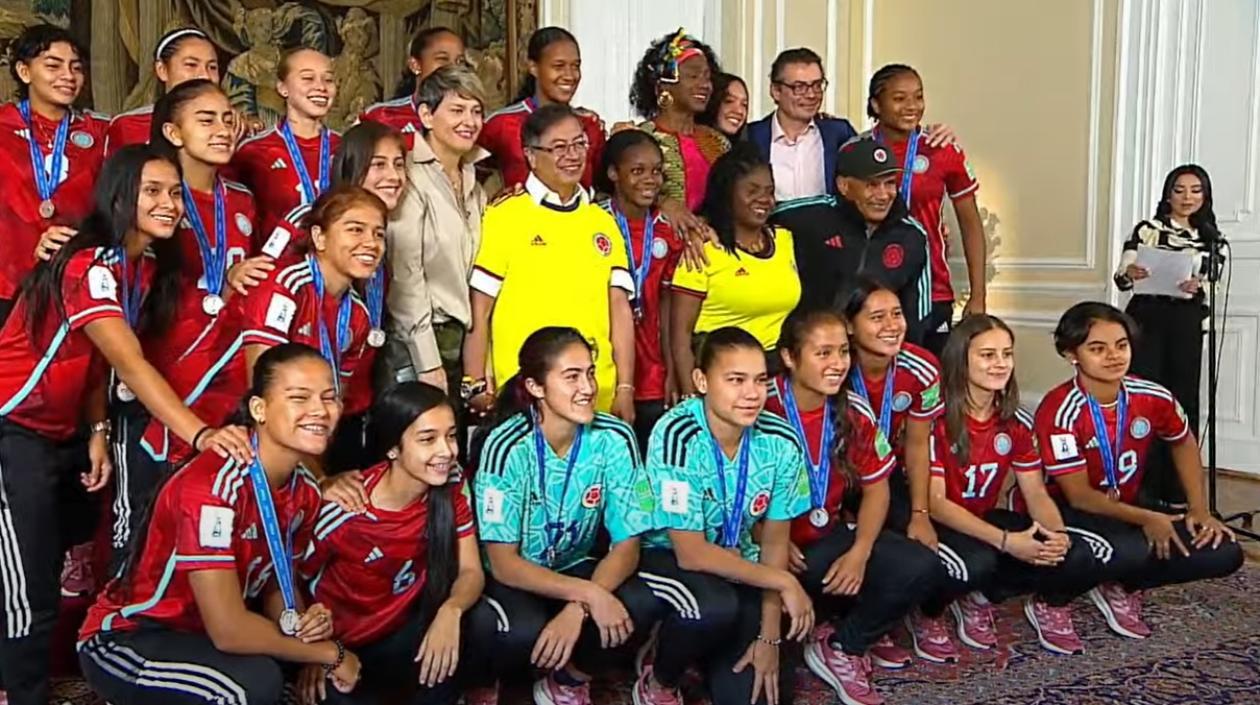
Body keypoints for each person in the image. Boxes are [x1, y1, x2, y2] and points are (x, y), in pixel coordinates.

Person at [0, 145, 252, 705]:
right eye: (153, 192)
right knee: (30, 585)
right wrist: (202, 433)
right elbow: (130, 365)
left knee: (50, 565)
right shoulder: (88, 264)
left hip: (60, 431)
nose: (169, 203)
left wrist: (94, 433)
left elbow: (93, 369)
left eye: (175, 192)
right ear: (120, 196)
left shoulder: (139, 268)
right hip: (10, 425)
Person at [78, 344, 361, 705]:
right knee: (250, 689)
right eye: (299, 397)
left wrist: (304, 626)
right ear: (259, 409)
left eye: (329, 397)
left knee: (327, 690)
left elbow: (275, 581)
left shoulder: (303, 488)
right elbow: (228, 630)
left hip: (207, 639)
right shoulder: (214, 485)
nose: (320, 410)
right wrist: (326, 653)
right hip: (134, 636)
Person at [102, 79, 264, 555]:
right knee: (141, 522)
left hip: (222, 379)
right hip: (157, 377)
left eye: (228, 119)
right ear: (173, 131)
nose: (223, 130)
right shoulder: (153, 197)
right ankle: (119, 622)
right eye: (206, 119)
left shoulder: (242, 199)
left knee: (204, 517)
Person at [471, 327, 658, 705]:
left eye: (590, 373)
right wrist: (589, 595)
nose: (588, 387)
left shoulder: (615, 437)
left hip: (575, 565)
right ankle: (490, 683)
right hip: (518, 576)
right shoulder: (505, 445)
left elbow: (627, 544)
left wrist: (578, 607)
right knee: (518, 631)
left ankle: (569, 680)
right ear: (536, 387)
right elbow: (504, 564)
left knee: (641, 600)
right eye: (571, 376)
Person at [1035, 302, 1242, 641]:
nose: (1114, 356)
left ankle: (1123, 585)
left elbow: (1183, 441)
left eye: (1121, 345)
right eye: (1097, 349)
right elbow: (1079, 495)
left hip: (1126, 509)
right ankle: (1051, 602)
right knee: (1127, 548)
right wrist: (1148, 519)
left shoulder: (1152, 395)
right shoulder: (1060, 410)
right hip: (1065, 513)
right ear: (1071, 354)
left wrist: (1198, 508)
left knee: (1223, 550)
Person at [768, 308, 940, 705]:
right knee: (771, 692)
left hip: (823, 536)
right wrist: (766, 537)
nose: (837, 364)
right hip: (766, 549)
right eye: (823, 353)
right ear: (791, 357)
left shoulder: (852, 409)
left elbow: (878, 490)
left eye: (843, 352)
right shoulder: (761, 405)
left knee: (921, 564)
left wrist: (860, 553)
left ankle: (844, 645)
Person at [633, 327, 813, 705]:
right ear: (701, 381)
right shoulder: (677, 435)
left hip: (737, 557)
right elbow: (691, 553)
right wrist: (783, 583)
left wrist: (769, 636)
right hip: (664, 553)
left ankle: (705, 655)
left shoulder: (781, 442)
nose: (751, 394)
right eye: (735, 380)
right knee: (712, 606)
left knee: (763, 695)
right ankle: (660, 677)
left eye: (760, 380)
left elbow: (775, 543)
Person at [299, 382, 498, 705]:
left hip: (404, 628)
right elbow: (289, 586)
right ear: (393, 448)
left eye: (450, 436)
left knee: (480, 620)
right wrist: (313, 651)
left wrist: (451, 610)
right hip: (348, 646)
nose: (446, 451)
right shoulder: (347, 513)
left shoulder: (450, 480)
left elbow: (471, 570)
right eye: (427, 439)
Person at [921, 314, 1100, 662]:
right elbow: (936, 503)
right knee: (979, 560)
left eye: (1007, 354)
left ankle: (979, 598)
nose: (1000, 363)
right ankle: (928, 614)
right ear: (961, 360)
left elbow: (1035, 493)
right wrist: (1007, 542)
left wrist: (1056, 535)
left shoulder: (1016, 421)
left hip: (981, 517)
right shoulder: (935, 418)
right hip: (934, 524)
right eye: (988, 355)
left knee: (1072, 552)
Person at [464, 103, 635, 418]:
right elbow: (480, 308)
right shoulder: (505, 216)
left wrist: (625, 387)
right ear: (530, 155)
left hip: (598, 394)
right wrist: (474, 382)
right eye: (558, 147)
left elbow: (620, 310)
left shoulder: (603, 221)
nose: (572, 155)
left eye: (579, 144)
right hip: (525, 395)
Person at [239, 185, 385, 474]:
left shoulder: (358, 315)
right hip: (235, 432)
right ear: (319, 237)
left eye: (379, 234)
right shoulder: (286, 287)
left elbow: (332, 403)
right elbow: (262, 394)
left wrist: (318, 476)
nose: (371, 242)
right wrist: (317, 479)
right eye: (356, 230)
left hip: (296, 448)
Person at [1114, 165, 1219, 509]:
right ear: (1168, 194)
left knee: (1182, 397)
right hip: (1147, 316)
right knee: (1144, 395)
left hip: (1185, 320)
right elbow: (1123, 274)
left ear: (1205, 196)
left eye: (1195, 190)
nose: (1187, 197)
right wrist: (1130, 272)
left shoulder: (1211, 237)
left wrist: (1198, 285)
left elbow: (1211, 281)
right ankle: (1140, 484)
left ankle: (1177, 490)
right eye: (1179, 190)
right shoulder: (1148, 229)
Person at [866, 64, 986, 353]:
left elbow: (970, 224)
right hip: (873, 287)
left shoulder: (943, 150)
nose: (912, 107)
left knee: (931, 381)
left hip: (933, 289)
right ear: (875, 104)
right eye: (899, 98)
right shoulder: (855, 151)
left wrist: (978, 295)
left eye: (918, 97)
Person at [387, 65, 488, 402]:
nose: (469, 121)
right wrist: (427, 363)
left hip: (462, 340)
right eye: (457, 110)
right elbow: (406, 277)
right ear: (427, 116)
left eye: (476, 111)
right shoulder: (408, 175)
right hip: (417, 343)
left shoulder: (475, 181)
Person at [670, 145, 800, 395]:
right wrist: (690, 397)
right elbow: (680, 335)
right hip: (721, 378)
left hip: (775, 379)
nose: (764, 199)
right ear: (728, 194)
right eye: (752, 191)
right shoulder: (703, 249)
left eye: (769, 191)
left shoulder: (785, 240)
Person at [772, 137, 930, 342]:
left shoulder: (913, 236)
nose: (883, 195)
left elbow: (917, 316)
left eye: (890, 183)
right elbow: (754, 215)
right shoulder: (809, 218)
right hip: (814, 350)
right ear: (844, 186)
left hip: (876, 358)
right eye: (872, 185)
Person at [0, 25, 108, 321]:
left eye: (76, 67)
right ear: (24, 72)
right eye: (53, 65)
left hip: (73, 281)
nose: (68, 76)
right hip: (7, 285)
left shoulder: (100, 132)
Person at [597, 129, 684, 450]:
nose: (650, 179)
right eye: (637, 171)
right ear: (612, 173)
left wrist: (673, 371)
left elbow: (670, 307)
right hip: (604, 375)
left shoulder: (669, 228)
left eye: (657, 171)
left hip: (654, 377)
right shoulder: (593, 222)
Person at [230, 47, 342, 244]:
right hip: (275, 268)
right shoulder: (253, 151)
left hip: (334, 269)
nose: (321, 87)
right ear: (283, 88)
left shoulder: (345, 147)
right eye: (308, 78)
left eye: (328, 79)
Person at [478, 27, 605, 190]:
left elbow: (603, 185)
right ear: (533, 67)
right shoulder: (502, 123)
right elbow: (468, 174)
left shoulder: (589, 124)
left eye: (575, 66)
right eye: (559, 66)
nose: (570, 75)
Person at [629, 29, 729, 222]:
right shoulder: (640, 139)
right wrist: (662, 202)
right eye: (693, 76)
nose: (705, 85)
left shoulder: (718, 143)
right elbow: (616, 196)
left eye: (707, 77)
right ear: (663, 86)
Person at [103, 27, 222, 155]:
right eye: (191, 65)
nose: (205, 75)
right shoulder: (128, 125)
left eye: (212, 67)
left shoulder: (232, 127)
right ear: (162, 70)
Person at [359, 26, 467, 142]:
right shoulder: (381, 116)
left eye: (460, 61)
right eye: (443, 58)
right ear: (415, 65)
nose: (453, 67)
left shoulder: (472, 119)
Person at [699, 72, 749, 141]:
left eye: (744, 104)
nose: (739, 111)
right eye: (729, 101)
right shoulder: (687, 145)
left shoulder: (750, 150)